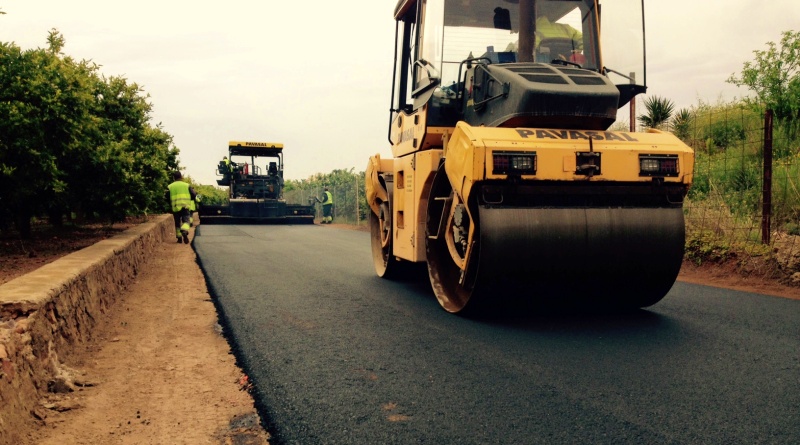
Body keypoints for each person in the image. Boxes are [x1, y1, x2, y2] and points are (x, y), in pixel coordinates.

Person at [167, 171, 197, 244]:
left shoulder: (170, 186)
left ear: (173, 178)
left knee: (177, 223)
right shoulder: (187, 185)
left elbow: (166, 197)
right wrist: (190, 199)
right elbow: (193, 194)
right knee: (186, 221)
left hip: (175, 207)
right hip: (185, 206)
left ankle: (179, 239)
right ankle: (184, 230)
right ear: (181, 177)